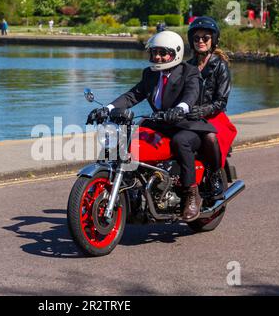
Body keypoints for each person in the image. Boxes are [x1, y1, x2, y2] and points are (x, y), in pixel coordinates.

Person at [87, 31, 217, 222]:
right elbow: (133, 95)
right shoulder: (150, 74)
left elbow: (192, 93)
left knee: (181, 142)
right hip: (160, 124)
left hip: (186, 125)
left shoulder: (189, 71)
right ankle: (131, 189)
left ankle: (191, 194)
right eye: (154, 52)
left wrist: (180, 108)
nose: (157, 57)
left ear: (176, 53)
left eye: (163, 52)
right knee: (129, 144)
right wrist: (107, 108)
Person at [186, 16, 238, 200]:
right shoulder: (187, 66)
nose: (200, 41)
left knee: (209, 137)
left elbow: (221, 101)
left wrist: (202, 111)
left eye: (205, 37)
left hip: (214, 116)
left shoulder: (220, 66)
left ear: (213, 40)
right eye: (197, 38)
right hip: (190, 115)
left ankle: (215, 174)